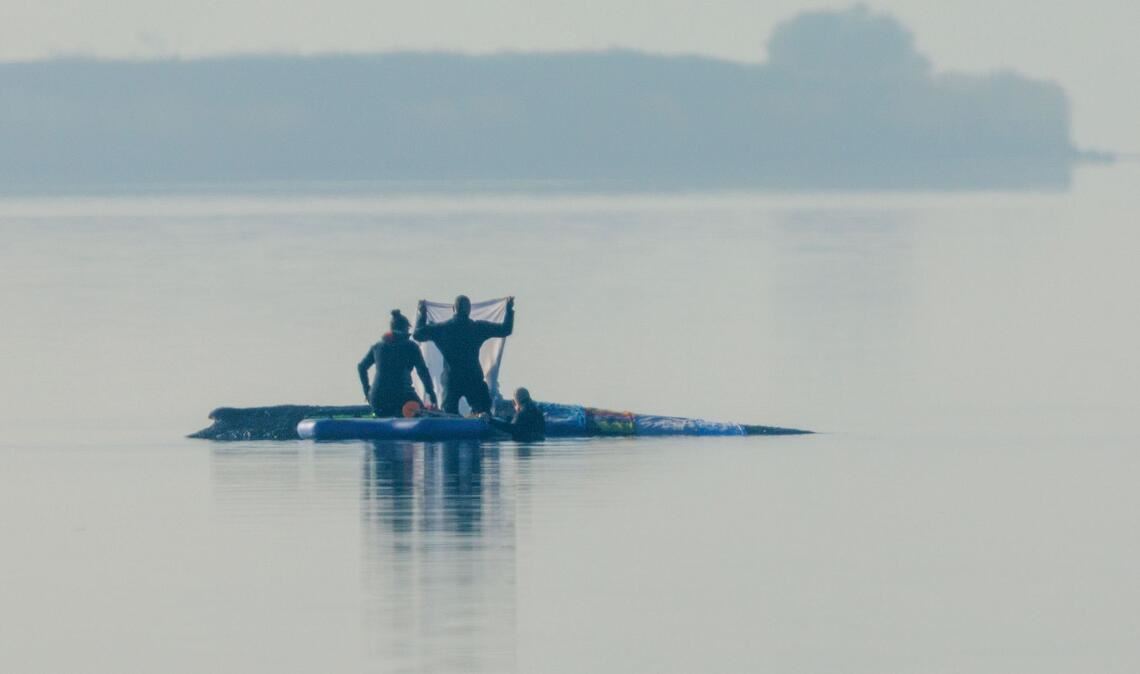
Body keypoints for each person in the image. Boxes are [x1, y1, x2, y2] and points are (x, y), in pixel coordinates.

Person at [413, 295, 514, 414]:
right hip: (473, 377)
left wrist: (422, 313)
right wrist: (509, 309)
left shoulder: (443, 329)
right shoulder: (477, 328)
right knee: (483, 413)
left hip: (452, 379)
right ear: (469, 310)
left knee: (449, 416)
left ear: (453, 309)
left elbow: (417, 334)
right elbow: (505, 329)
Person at [358, 309, 437, 417]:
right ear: (405, 329)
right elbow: (422, 371)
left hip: (377, 401)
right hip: (401, 397)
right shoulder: (411, 346)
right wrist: (431, 393)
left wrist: (368, 392)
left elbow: (361, 367)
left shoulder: (377, 347)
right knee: (423, 414)